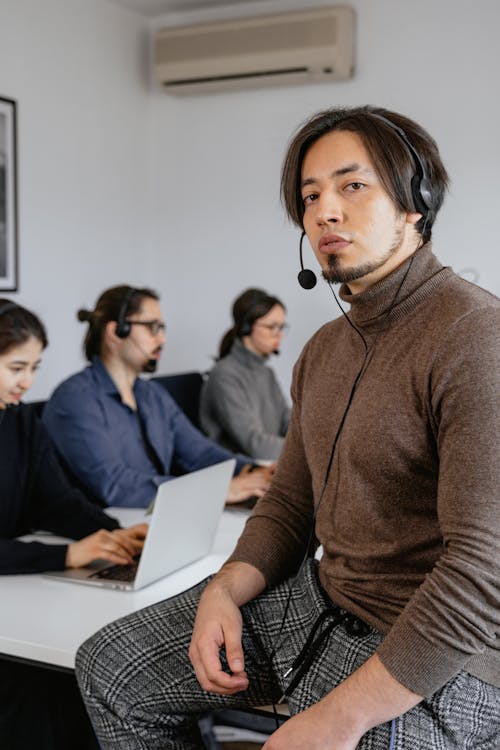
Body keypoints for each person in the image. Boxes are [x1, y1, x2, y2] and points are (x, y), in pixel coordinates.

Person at [75, 106, 499, 749]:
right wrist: (224, 589)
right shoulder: (324, 349)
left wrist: (341, 716)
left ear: (415, 203)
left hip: (442, 645)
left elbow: (482, 572)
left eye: (352, 186)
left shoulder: (476, 338)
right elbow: (290, 504)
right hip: (322, 599)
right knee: (111, 669)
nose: (325, 210)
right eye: (310, 195)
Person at [0, 298, 147, 750]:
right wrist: (66, 554)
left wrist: (109, 531)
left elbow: (59, 500)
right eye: (16, 367)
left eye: (35, 367)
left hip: (17, 598)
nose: (28, 381)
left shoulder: (20, 419)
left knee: (82, 677)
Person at [43, 285, 272, 509]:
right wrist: (218, 491)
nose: (162, 340)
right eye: (152, 328)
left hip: (157, 515)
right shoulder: (75, 399)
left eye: (162, 328)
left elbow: (199, 453)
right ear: (116, 332)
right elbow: (114, 486)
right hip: (108, 527)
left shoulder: (151, 394)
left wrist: (254, 472)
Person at [199, 288, 291, 461]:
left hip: (268, 466)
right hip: (240, 472)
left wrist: (316, 437)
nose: (278, 334)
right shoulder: (224, 375)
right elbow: (255, 445)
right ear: (247, 327)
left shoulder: (266, 373)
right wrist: (307, 450)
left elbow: (288, 422)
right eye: (272, 326)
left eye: (281, 327)